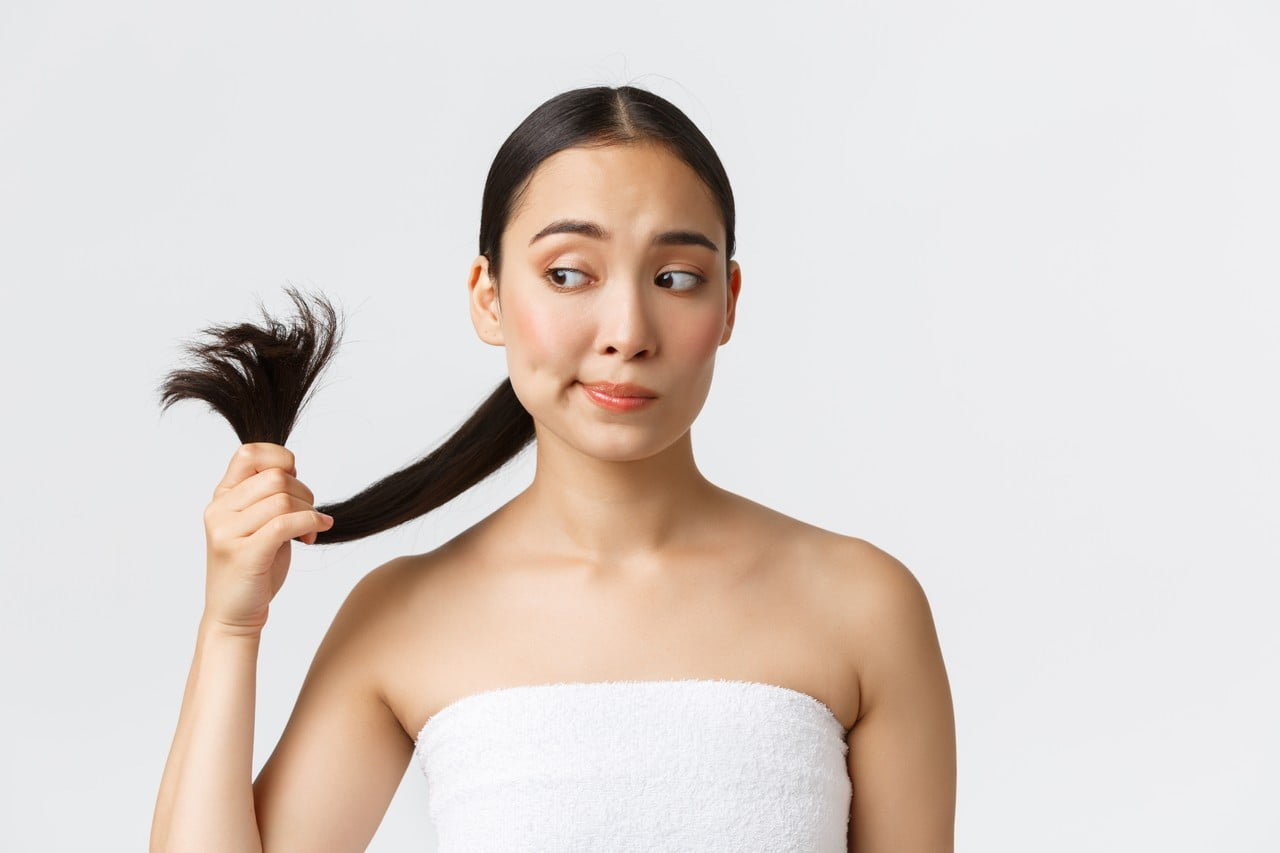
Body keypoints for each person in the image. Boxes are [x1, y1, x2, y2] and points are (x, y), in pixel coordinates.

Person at [149, 84, 956, 852]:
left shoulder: (863, 606)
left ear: (730, 302)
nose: (628, 330)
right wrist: (230, 625)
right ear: (489, 297)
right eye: (569, 273)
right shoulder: (407, 614)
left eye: (676, 278)